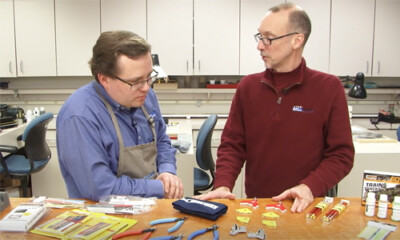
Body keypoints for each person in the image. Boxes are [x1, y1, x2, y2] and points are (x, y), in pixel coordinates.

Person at [195, 3, 354, 213]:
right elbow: (233, 145)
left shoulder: (329, 88)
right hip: (257, 206)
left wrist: (309, 187)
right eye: (259, 37)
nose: (260, 46)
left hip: (306, 206)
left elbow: (341, 155)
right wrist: (223, 184)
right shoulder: (248, 87)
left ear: (297, 39)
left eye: (268, 38)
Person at [56, 31, 183, 201]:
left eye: (149, 77)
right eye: (136, 81)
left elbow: (161, 140)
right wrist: (159, 188)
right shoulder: (80, 117)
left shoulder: (145, 97)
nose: (145, 87)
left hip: (150, 207)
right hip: (104, 218)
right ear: (104, 79)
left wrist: (167, 171)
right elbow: (100, 188)